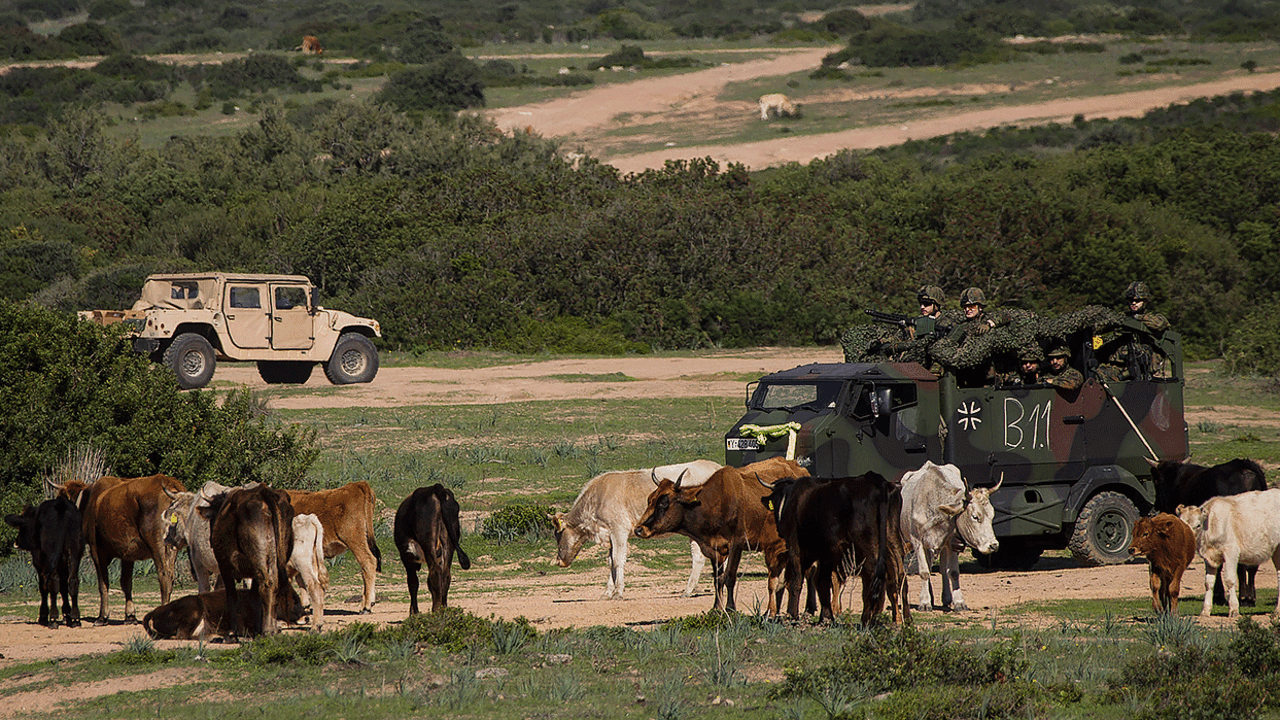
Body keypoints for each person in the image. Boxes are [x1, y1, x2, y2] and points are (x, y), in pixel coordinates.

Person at [1095, 281, 1170, 382]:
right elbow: (1102, 326)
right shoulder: (1122, 317)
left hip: (1140, 368)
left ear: (1145, 301)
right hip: (1120, 366)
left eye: (1137, 300)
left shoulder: (1153, 318)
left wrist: (1137, 318)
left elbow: (1159, 324)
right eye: (1131, 300)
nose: (1133, 303)